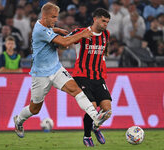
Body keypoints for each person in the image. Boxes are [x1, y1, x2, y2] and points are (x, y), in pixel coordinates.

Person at [13, 2, 110, 138]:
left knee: (76, 90)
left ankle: (96, 117)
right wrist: (82, 34)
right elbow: (64, 43)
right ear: (44, 16)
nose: (56, 20)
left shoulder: (43, 25)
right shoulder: (40, 30)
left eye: (56, 17)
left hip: (56, 69)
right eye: (53, 17)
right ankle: (19, 120)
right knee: (34, 109)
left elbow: (51, 32)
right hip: (41, 75)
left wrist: (56, 29)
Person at [69, 8, 112, 147]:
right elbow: (64, 41)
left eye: (107, 22)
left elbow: (104, 51)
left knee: (107, 109)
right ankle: (87, 136)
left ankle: (95, 127)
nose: (105, 24)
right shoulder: (81, 32)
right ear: (95, 19)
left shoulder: (106, 34)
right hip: (82, 76)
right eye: (103, 21)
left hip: (98, 77)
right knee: (92, 106)